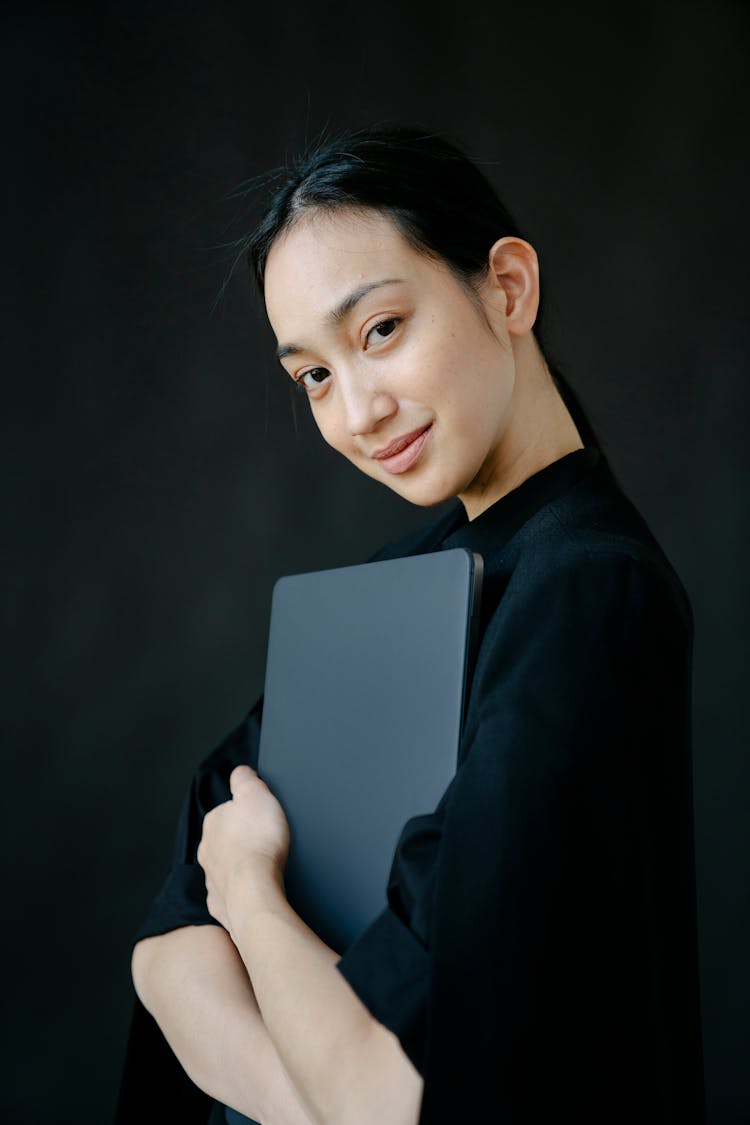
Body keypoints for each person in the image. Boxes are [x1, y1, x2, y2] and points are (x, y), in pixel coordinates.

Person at [118, 125, 705, 1124]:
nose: (357, 411)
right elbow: (166, 952)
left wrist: (254, 900)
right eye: (312, 374)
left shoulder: (585, 593)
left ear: (507, 289)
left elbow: (394, 1093)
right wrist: (308, 1095)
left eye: (381, 329)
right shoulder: (389, 593)